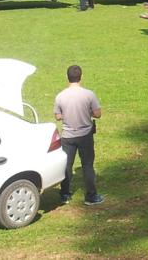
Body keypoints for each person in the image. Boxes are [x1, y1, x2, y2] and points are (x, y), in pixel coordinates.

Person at [54, 65, 104, 206]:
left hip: (68, 136)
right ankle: (91, 196)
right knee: (87, 165)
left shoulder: (60, 96)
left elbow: (58, 116)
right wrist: (87, 112)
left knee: (67, 165)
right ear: (81, 77)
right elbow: (98, 114)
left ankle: (64, 194)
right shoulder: (89, 95)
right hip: (85, 135)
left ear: (67, 77)